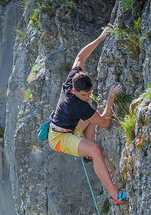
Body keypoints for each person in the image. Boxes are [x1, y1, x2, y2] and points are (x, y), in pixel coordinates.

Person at [47, 27, 128, 204]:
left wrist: (100, 39)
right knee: (95, 150)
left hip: (67, 126)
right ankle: (115, 196)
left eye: (89, 93)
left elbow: (80, 57)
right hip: (59, 138)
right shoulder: (77, 105)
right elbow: (105, 123)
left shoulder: (74, 77)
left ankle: (86, 152)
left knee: (92, 118)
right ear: (74, 91)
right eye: (84, 95)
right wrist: (111, 97)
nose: (88, 97)